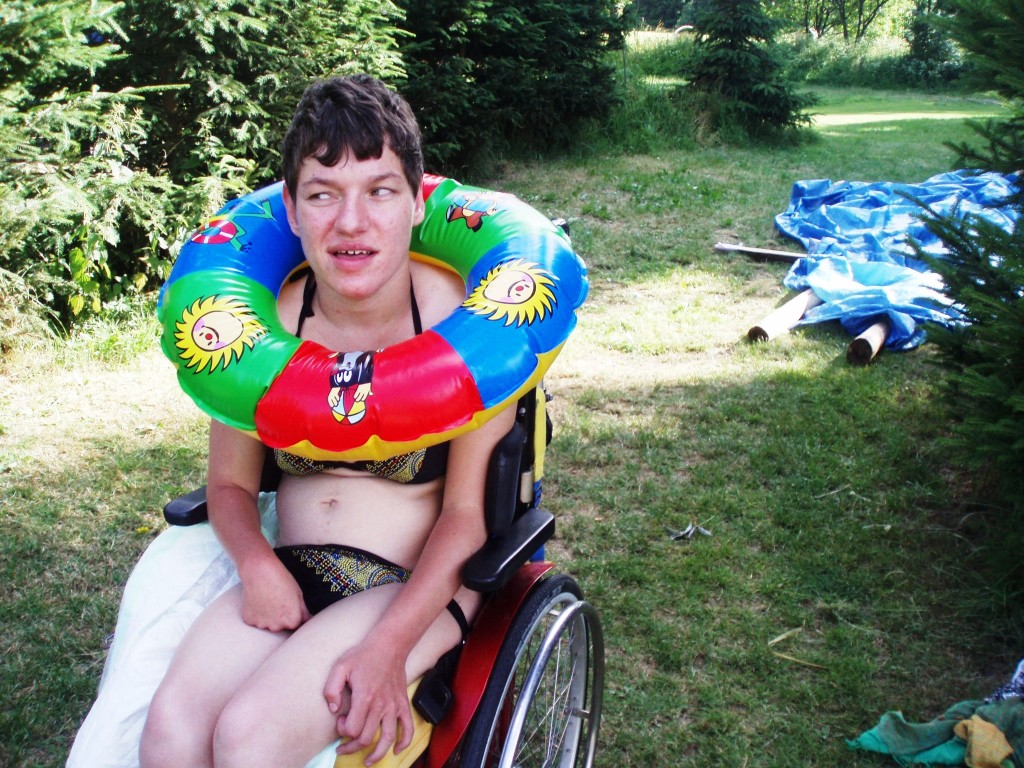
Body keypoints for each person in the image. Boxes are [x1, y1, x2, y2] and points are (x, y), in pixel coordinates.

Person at [138, 74, 515, 768]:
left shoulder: (473, 328)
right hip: (291, 570)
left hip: (410, 587)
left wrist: (389, 647)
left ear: (417, 201)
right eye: (322, 194)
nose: (351, 222)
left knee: (247, 737)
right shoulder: (261, 325)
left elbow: (467, 517)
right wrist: (257, 566)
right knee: (169, 733)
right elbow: (229, 485)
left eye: (380, 191)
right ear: (290, 207)